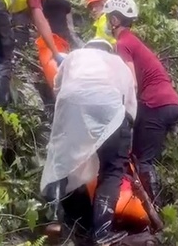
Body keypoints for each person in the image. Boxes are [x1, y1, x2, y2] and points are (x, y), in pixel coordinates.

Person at [41, 38, 137, 245]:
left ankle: (54, 220)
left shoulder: (74, 57)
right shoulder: (120, 64)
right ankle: (101, 233)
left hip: (71, 106)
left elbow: (58, 89)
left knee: (62, 163)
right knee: (112, 170)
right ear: (109, 50)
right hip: (110, 108)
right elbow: (130, 106)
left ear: (88, 48)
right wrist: (123, 139)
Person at [103, 0, 178, 208]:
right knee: (145, 156)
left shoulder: (122, 43)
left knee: (141, 160)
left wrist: (126, 114)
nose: (105, 22)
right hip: (169, 103)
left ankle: (153, 209)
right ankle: (155, 206)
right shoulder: (133, 41)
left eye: (107, 17)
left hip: (155, 103)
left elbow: (130, 81)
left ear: (114, 20)